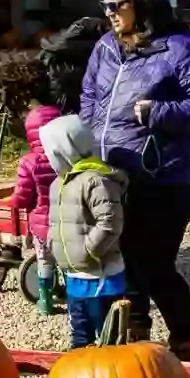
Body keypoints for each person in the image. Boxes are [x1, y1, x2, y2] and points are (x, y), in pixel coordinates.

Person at [78, 0, 190, 354]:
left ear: (141, 3)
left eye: (116, 4)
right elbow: (90, 97)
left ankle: (186, 341)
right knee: (122, 261)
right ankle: (134, 341)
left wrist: (158, 112)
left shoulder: (178, 48)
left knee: (154, 263)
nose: (108, 12)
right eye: (104, 4)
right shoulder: (106, 47)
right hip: (114, 173)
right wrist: (89, 142)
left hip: (168, 177)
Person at [41, 113, 128, 345]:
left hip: (101, 276)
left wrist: (89, 250)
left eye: (51, 152)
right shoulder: (58, 184)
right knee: (80, 335)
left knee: (109, 339)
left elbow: (110, 223)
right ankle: (78, 375)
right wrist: (53, 242)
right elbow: (57, 222)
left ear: (65, 151)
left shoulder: (96, 181)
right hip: (74, 276)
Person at [3, 56, 65, 316]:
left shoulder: (28, 162)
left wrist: (11, 203)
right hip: (66, 222)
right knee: (67, 260)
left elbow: (23, 195)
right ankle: (71, 294)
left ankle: (45, 300)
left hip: (40, 224)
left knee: (44, 260)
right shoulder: (68, 158)